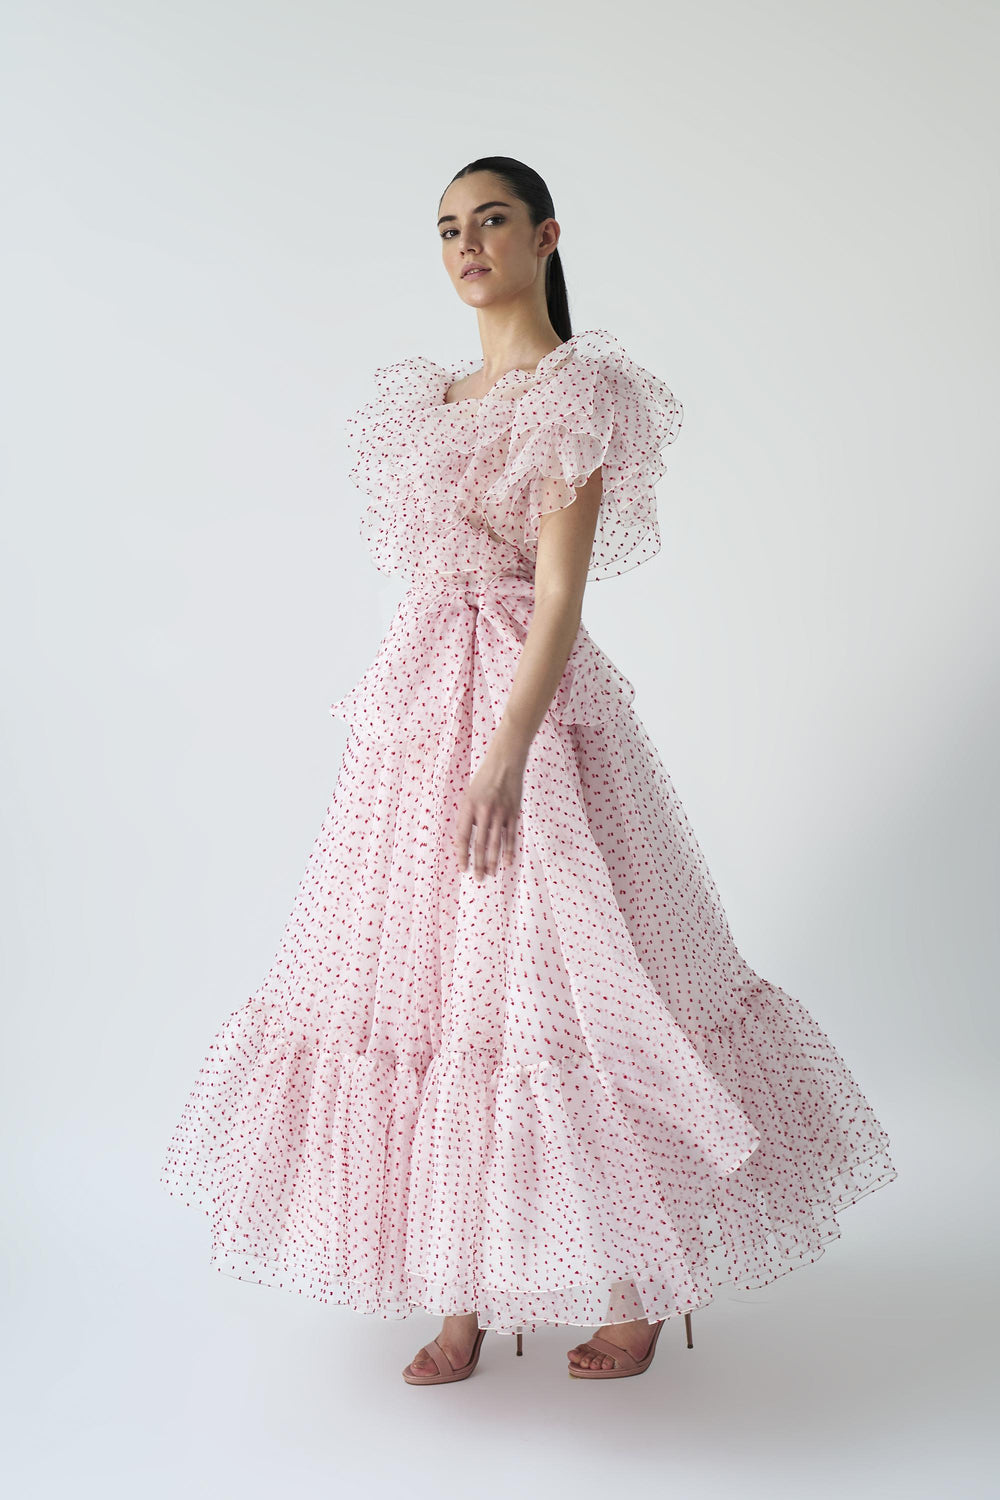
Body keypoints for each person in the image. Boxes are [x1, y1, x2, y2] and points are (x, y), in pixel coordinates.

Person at [160, 155, 898, 1386]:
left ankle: (636, 1285)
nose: (466, 245)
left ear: (546, 237)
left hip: (530, 715)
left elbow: (558, 596)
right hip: (420, 709)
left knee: (569, 980)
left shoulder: (574, 394)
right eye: (448, 227)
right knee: (429, 981)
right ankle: (458, 1296)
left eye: (491, 220)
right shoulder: (429, 401)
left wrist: (507, 751)